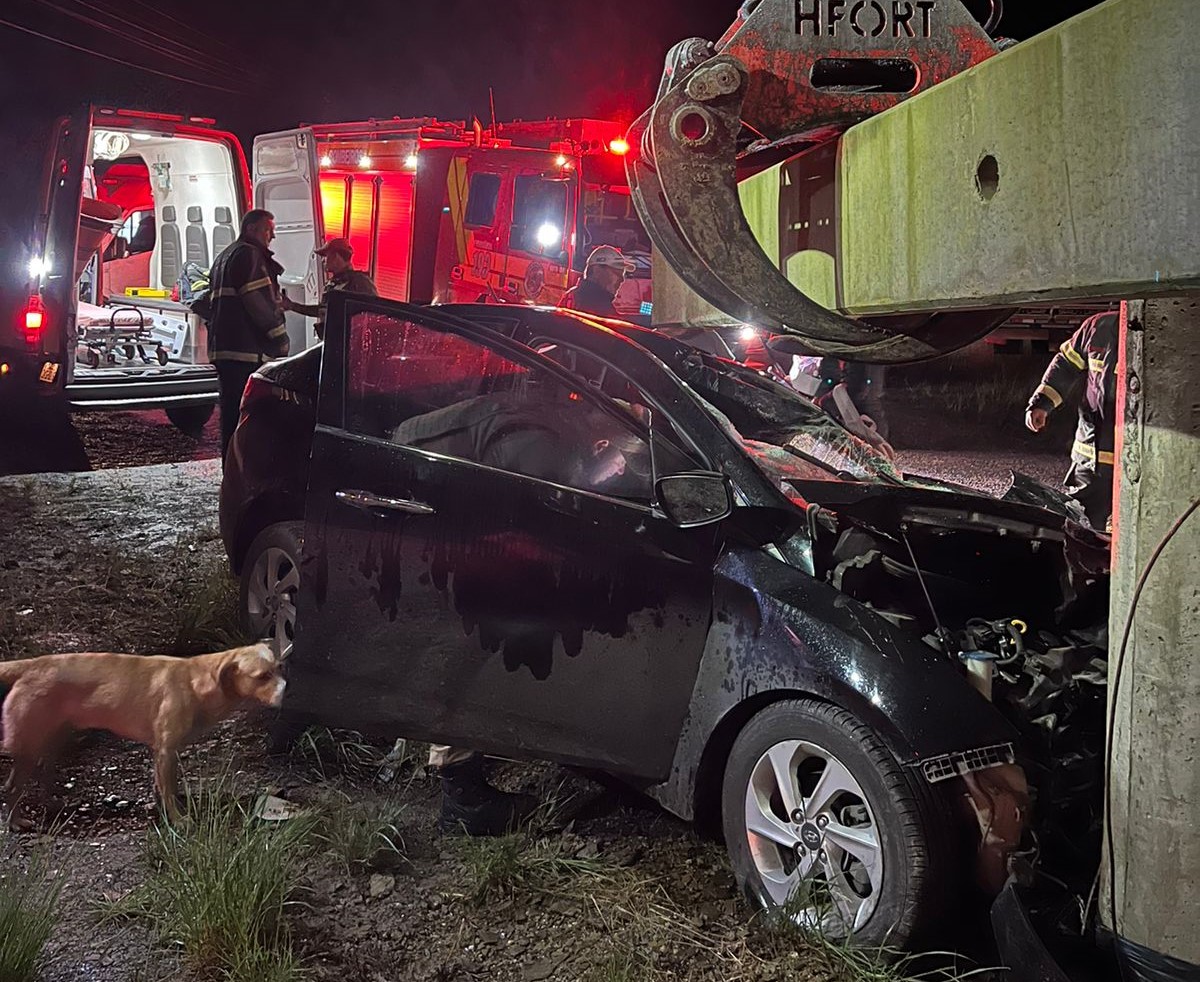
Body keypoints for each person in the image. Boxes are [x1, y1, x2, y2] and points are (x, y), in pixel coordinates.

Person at [392, 392, 646, 835]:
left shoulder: (559, 426)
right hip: (411, 497)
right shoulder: (543, 448)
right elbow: (540, 527)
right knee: (471, 635)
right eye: (625, 437)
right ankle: (462, 799)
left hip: (441, 499)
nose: (622, 450)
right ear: (605, 416)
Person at [206, 209, 289, 460]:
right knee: (249, 416)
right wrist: (279, 340)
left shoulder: (225, 255)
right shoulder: (250, 256)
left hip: (226, 350)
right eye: (268, 230)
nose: (272, 236)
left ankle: (231, 470)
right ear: (252, 229)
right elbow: (259, 303)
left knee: (231, 415)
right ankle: (243, 472)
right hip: (245, 351)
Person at [1025, 310, 1117, 531]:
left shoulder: (1168, 330)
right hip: (1092, 457)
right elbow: (1066, 364)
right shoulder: (1098, 327)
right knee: (1080, 526)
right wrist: (1042, 403)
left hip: (1144, 460)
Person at [281, 237, 376, 339]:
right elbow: (322, 310)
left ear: (336, 256)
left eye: (326, 256)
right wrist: (292, 306)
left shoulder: (360, 282)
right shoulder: (333, 284)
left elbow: (373, 314)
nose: (323, 260)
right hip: (333, 341)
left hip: (350, 343)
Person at [559, 245, 635, 318]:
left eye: (622, 275)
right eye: (617, 273)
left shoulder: (570, 296)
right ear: (597, 270)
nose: (622, 280)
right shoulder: (599, 306)